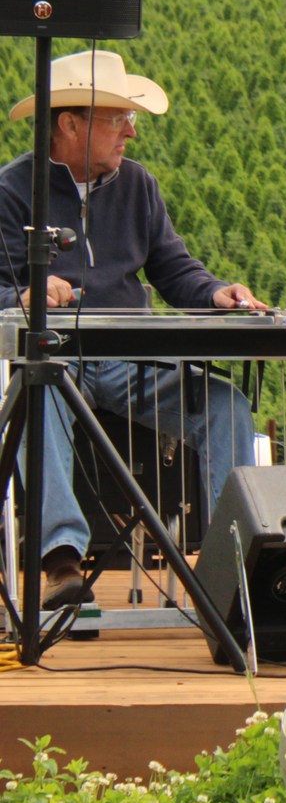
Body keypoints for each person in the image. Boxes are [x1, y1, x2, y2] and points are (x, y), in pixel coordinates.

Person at [1, 51, 264, 610]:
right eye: (117, 117)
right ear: (70, 123)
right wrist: (22, 297)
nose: (132, 130)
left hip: (130, 363)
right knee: (36, 389)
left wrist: (217, 292)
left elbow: (175, 269)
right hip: (56, 358)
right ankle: (60, 561)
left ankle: (231, 570)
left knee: (227, 406)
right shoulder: (12, 190)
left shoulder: (140, 185)